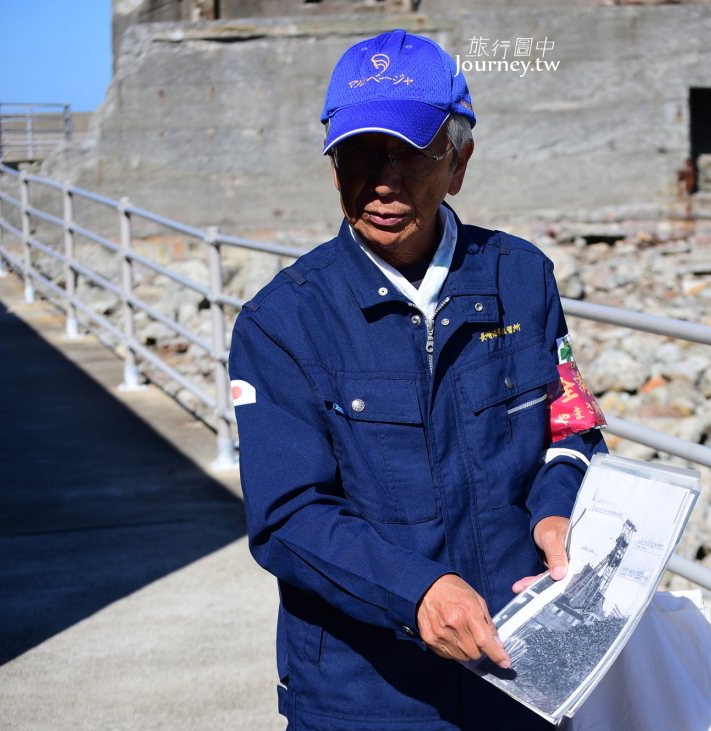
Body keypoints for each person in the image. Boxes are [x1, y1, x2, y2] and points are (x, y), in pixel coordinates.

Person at [228, 29, 608, 730]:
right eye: (359, 154)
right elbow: (287, 515)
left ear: (458, 162)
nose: (382, 181)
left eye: (409, 153)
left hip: (522, 673)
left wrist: (559, 511)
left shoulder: (522, 278)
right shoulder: (280, 322)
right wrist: (418, 591)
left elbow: (572, 426)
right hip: (364, 696)